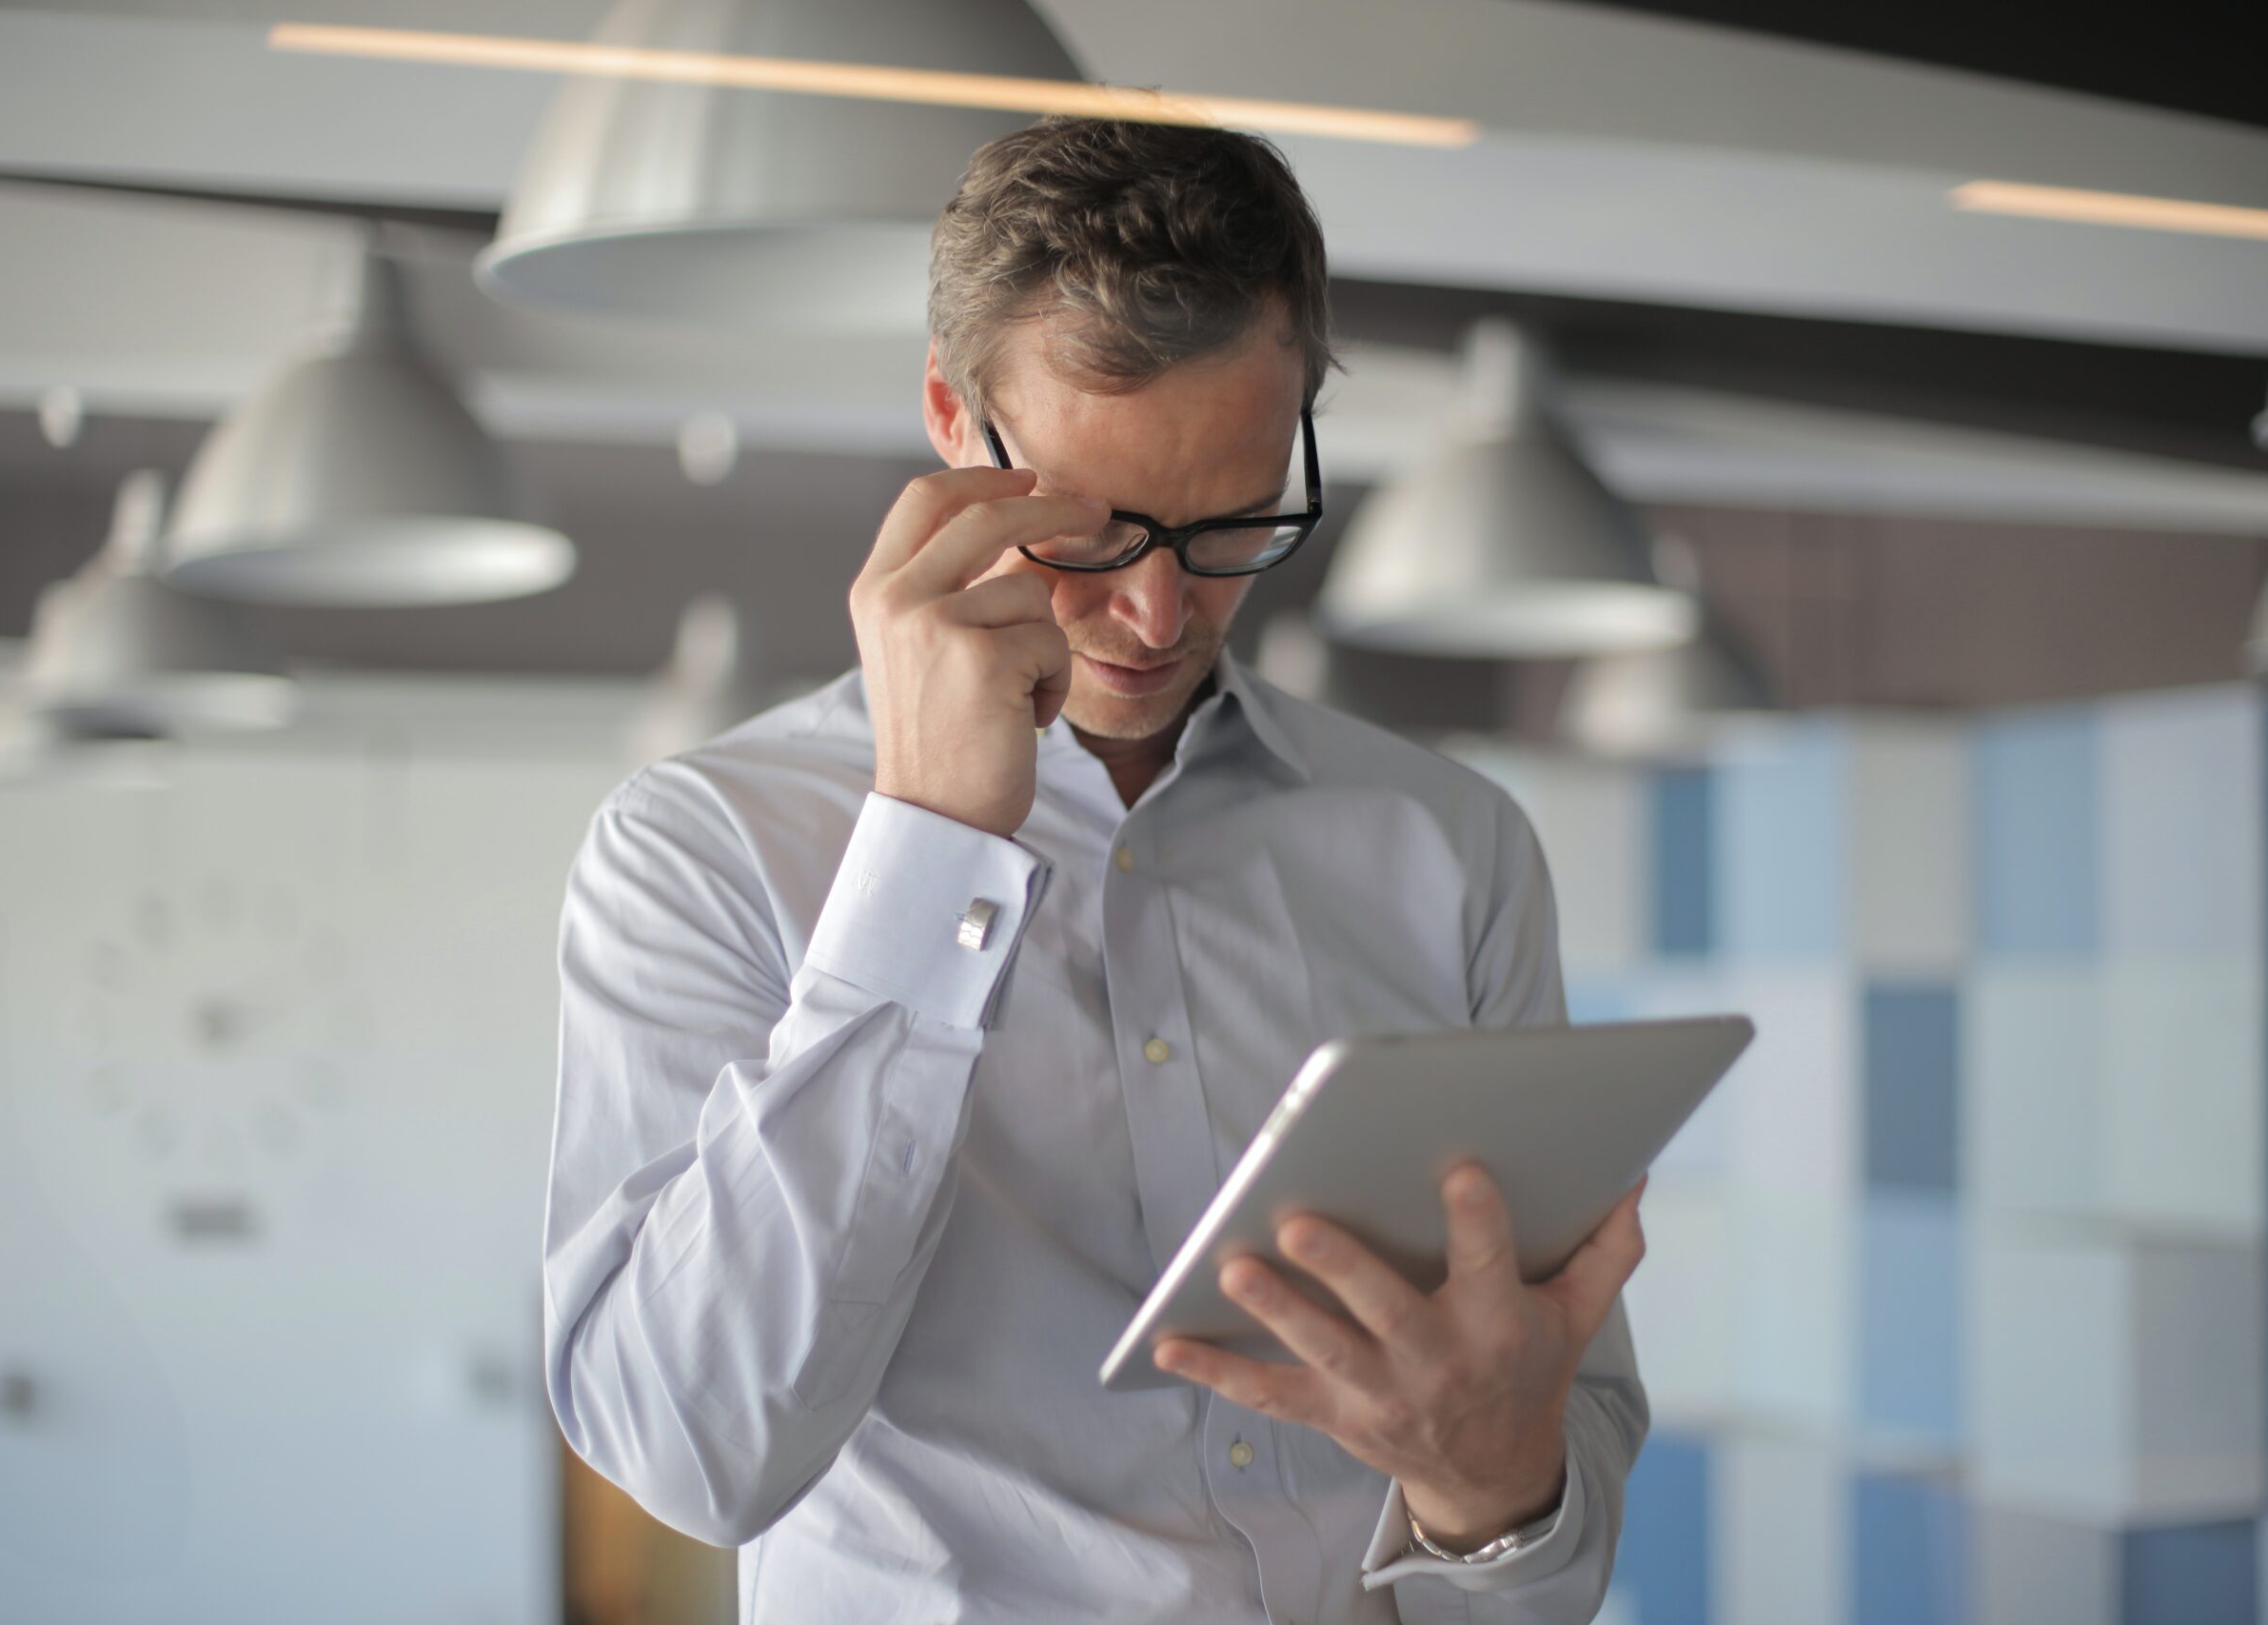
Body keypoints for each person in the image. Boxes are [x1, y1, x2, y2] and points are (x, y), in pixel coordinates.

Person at [545, 115, 1649, 1624]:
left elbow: (1554, 1518)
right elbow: (693, 1454)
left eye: (1231, 522)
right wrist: (930, 853)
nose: (1152, 611)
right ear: (952, 416)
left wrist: (1484, 1493)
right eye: (1093, 525)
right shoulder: (698, 852)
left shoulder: (1451, 852)